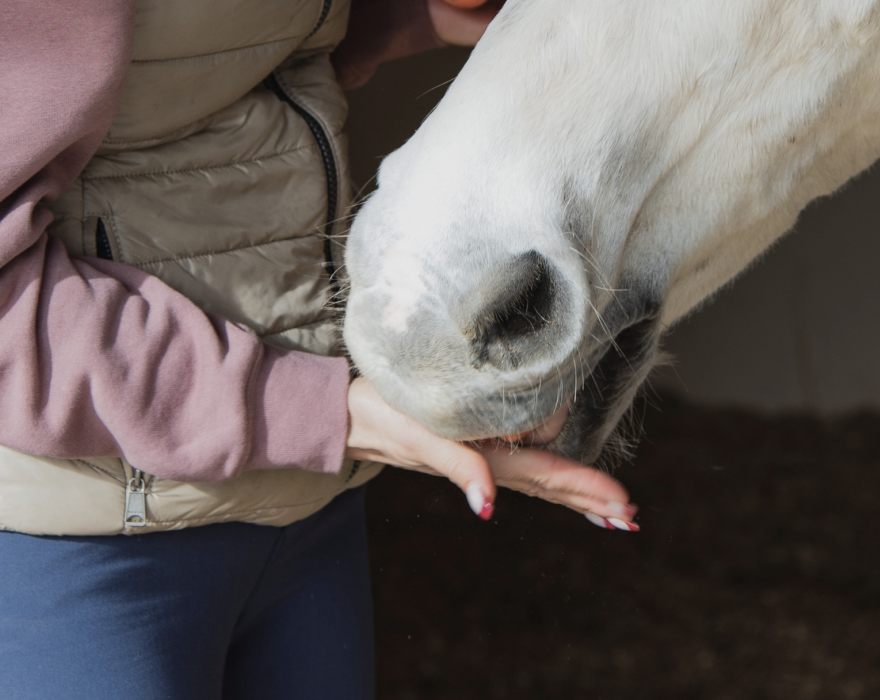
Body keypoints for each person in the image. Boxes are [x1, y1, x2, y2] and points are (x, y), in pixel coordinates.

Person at [0, 0, 637, 697]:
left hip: (307, 506)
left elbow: (185, 63)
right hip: (85, 539)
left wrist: (402, 15)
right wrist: (327, 411)